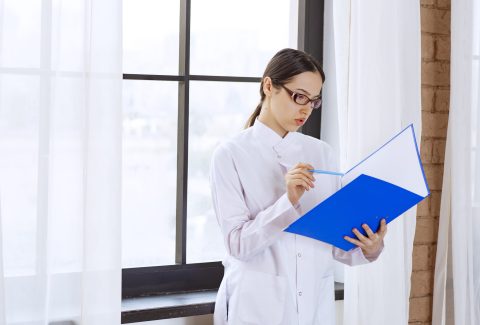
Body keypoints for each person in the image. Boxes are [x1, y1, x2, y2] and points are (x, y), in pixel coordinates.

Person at [209, 48, 387, 325]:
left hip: (314, 304)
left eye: (314, 101)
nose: (306, 108)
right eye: (299, 96)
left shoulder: (322, 153)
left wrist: (369, 247)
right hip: (255, 306)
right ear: (269, 86)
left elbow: (332, 243)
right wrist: (288, 201)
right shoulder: (230, 154)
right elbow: (238, 245)